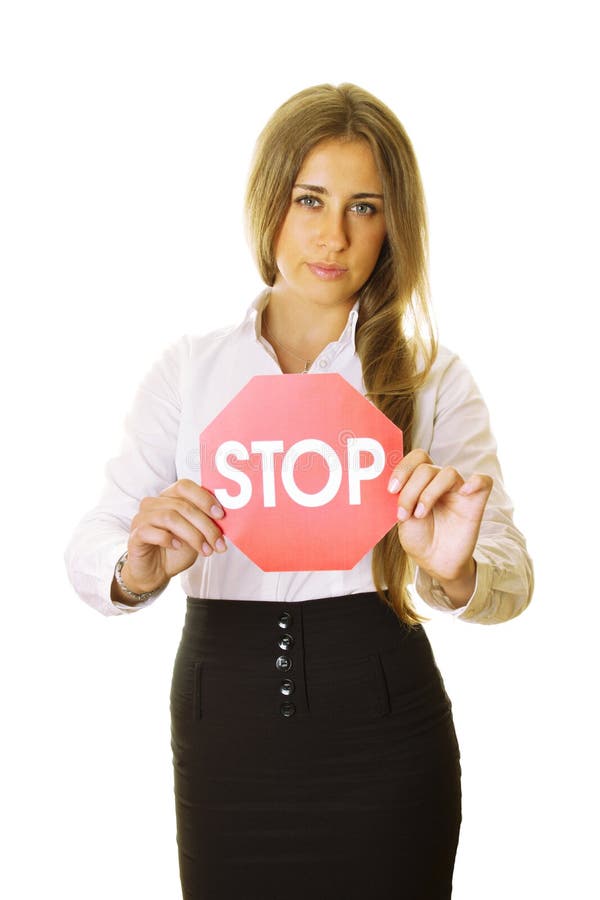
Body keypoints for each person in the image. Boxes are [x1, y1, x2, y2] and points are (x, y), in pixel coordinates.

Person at [65, 83, 533, 899]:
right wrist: (136, 565)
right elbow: (91, 547)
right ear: (269, 202)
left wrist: (454, 572)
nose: (333, 234)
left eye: (365, 207)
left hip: (384, 731)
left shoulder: (428, 378)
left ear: (394, 226)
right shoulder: (190, 369)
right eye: (310, 199)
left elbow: (511, 577)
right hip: (225, 731)